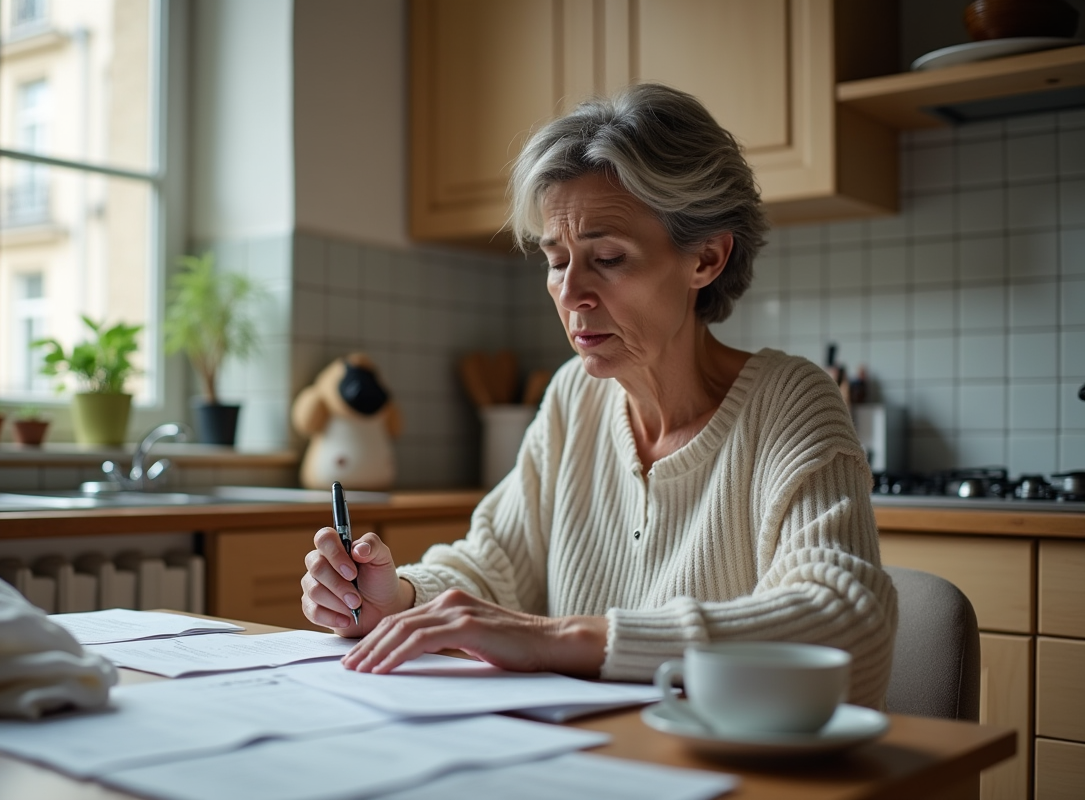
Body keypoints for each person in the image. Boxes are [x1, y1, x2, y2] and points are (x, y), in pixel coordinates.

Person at [301, 83, 897, 708]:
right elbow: (494, 564)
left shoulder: (790, 402)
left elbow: (848, 622)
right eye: (557, 260)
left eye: (608, 257)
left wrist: (562, 638)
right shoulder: (574, 396)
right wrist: (395, 599)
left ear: (707, 258)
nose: (570, 293)